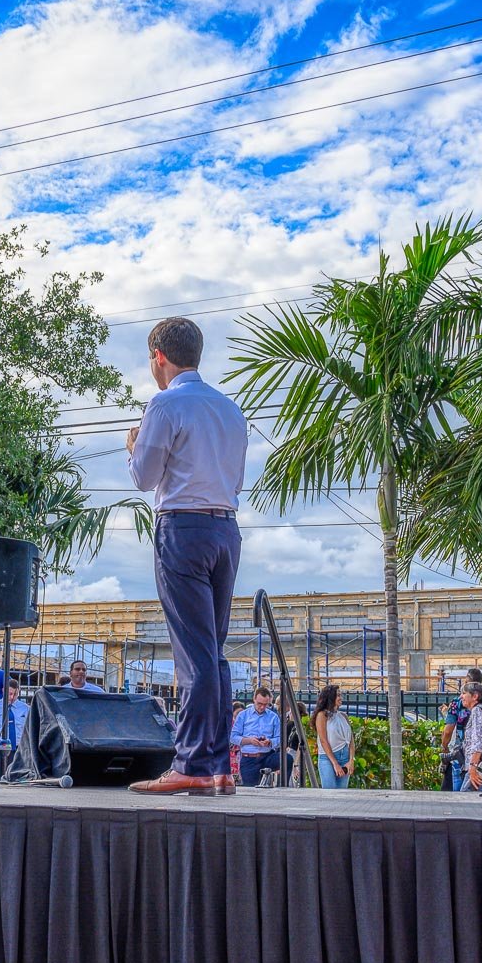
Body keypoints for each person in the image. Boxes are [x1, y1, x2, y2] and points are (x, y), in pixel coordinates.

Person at [126, 316, 247, 795]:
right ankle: (219, 765)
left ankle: (191, 764)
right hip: (226, 530)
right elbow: (234, 479)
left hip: (182, 527)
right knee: (213, 653)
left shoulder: (165, 403)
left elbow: (144, 477)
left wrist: (132, 446)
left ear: (159, 357)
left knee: (193, 656)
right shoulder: (230, 410)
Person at [447, 683, 482, 793]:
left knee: (467, 802)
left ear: (475, 696)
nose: (461, 697)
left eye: (464, 693)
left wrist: (473, 767)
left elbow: (478, 742)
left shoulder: (477, 711)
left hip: (481, 767)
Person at [230, 687, 283, 788]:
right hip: (249, 758)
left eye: (266, 704)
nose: (262, 707)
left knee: (287, 759)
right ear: (254, 699)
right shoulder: (243, 715)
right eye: (259, 704)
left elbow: (280, 738)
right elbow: (233, 737)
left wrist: (270, 742)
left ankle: (283, 787)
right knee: (250, 789)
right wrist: (249, 741)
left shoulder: (273, 717)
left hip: (267, 755)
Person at [313, 684, 354, 790]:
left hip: (344, 757)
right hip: (327, 758)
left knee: (341, 793)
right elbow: (323, 740)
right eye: (338, 695)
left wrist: (351, 760)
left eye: (341, 695)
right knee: (329, 792)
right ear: (330, 697)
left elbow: (350, 741)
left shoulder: (343, 716)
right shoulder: (322, 715)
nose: (341, 698)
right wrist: (335, 763)